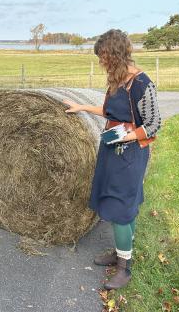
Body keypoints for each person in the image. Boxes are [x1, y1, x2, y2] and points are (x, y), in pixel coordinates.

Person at [64, 29, 161, 290]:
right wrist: (82, 107)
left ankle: (124, 268)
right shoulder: (117, 81)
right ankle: (121, 252)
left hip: (129, 155)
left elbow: (153, 124)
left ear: (115, 54)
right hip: (112, 151)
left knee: (121, 210)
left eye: (103, 57)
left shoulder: (141, 83)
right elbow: (109, 111)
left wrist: (128, 136)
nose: (101, 62)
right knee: (120, 205)